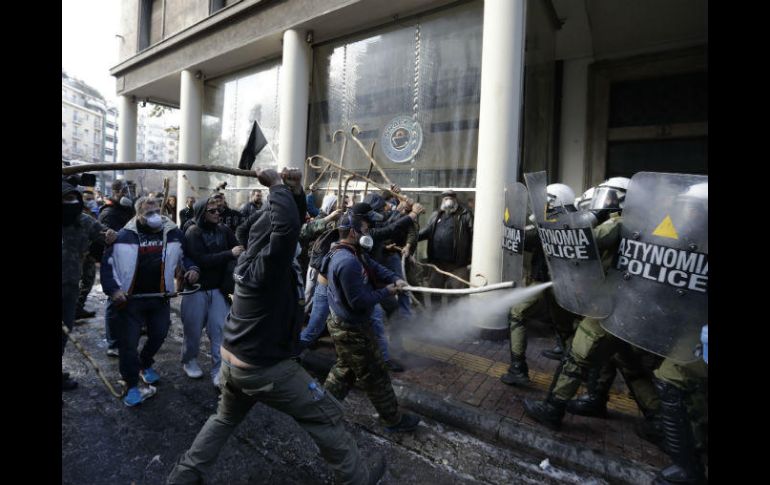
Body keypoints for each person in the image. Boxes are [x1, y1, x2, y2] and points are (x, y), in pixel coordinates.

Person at [166, 167, 384, 485]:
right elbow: (286, 229)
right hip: (263, 368)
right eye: (287, 237)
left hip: (234, 362)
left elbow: (288, 226)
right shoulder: (269, 267)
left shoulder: (252, 259)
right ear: (273, 242)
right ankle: (358, 479)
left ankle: (184, 475)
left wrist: (293, 190)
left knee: (224, 418)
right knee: (327, 416)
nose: (297, 240)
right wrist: (278, 186)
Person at [323, 204, 421, 433]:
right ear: (353, 231)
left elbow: (373, 266)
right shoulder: (346, 262)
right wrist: (388, 291)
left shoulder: (354, 253)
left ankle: (322, 408)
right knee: (376, 374)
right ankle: (393, 419)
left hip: (349, 326)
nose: (369, 233)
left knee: (345, 370)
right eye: (366, 228)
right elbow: (359, 301)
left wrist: (395, 278)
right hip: (352, 330)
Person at [101, 196, 200, 407]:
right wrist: (114, 290)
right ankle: (131, 384)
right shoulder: (123, 236)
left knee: (159, 333)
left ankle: (145, 364)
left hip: (160, 298)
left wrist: (191, 269)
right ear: (138, 214)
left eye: (156, 211)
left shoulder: (173, 233)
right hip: (130, 301)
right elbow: (108, 266)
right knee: (128, 344)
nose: (154, 216)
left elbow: (186, 256)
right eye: (148, 213)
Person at [181, 196, 244, 387]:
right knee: (192, 330)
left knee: (219, 331)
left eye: (219, 210)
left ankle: (218, 371)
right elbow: (199, 259)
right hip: (197, 289)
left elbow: (239, 249)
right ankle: (189, 360)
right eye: (213, 211)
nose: (218, 213)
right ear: (202, 212)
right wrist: (228, 254)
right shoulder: (193, 231)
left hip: (218, 289)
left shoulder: (224, 230)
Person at [62, 180, 116, 392]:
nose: (72, 203)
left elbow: (104, 235)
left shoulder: (83, 221)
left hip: (70, 287)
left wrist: (110, 236)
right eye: (67, 199)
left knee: (65, 331)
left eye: (75, 198)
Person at [417, 189, 474, 306]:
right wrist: (411, 239)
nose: (449, 200)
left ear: (455, 199)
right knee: (435, 292)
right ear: (442, 200)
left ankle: (452, 321)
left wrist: (471, 258)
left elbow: (474, 236)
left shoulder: (465, 214)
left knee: (455, 295)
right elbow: (426, 232)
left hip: (458, 265)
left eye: (451, 197)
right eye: (446, 197)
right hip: (437, 264)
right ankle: (436, 319)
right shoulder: (435, 215)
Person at [75, 189, 102, 320]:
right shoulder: (74, 214)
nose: (89, 201)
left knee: (87, 282)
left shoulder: (91, 215)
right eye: (86, 198)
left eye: (91, 198)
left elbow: (99, 233)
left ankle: (78, 307)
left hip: (89, 253)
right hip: (76, 256)